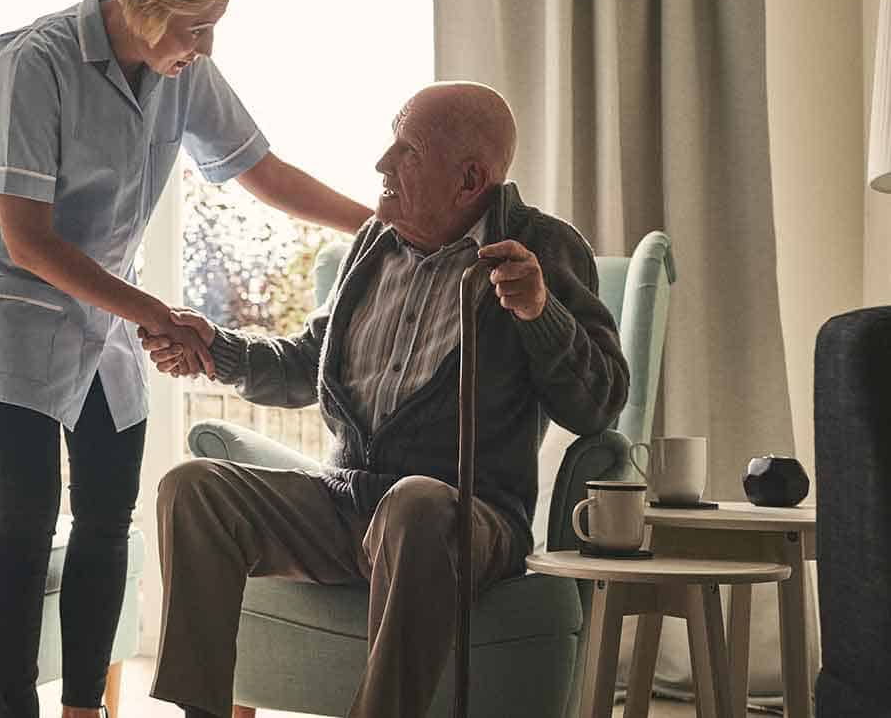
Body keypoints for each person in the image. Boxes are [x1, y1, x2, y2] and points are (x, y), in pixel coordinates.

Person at [0, 0, 372, 718]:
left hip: (106, 314)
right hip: (16, 307)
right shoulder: (33, 64)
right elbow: (29, 239)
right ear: (141, 1)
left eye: (214, 25)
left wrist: (379, 223)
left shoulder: (183, 70)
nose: (205, 44)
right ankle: (13, 709)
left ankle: (83, 708)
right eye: (194, 25)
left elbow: (266, 171)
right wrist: (153, 311)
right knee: (29, 510)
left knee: (109, 515)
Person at [142, 82, 630, 718]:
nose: (382, 165)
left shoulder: (542, 249)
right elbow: (307, 365)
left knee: (417, 503)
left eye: (408, 151)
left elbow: (600, 406)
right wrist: (220, 348)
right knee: (193, 486)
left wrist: (541, 312)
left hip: (466, 515)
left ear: (469, 179)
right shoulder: (372, 244)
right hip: (348, 505)